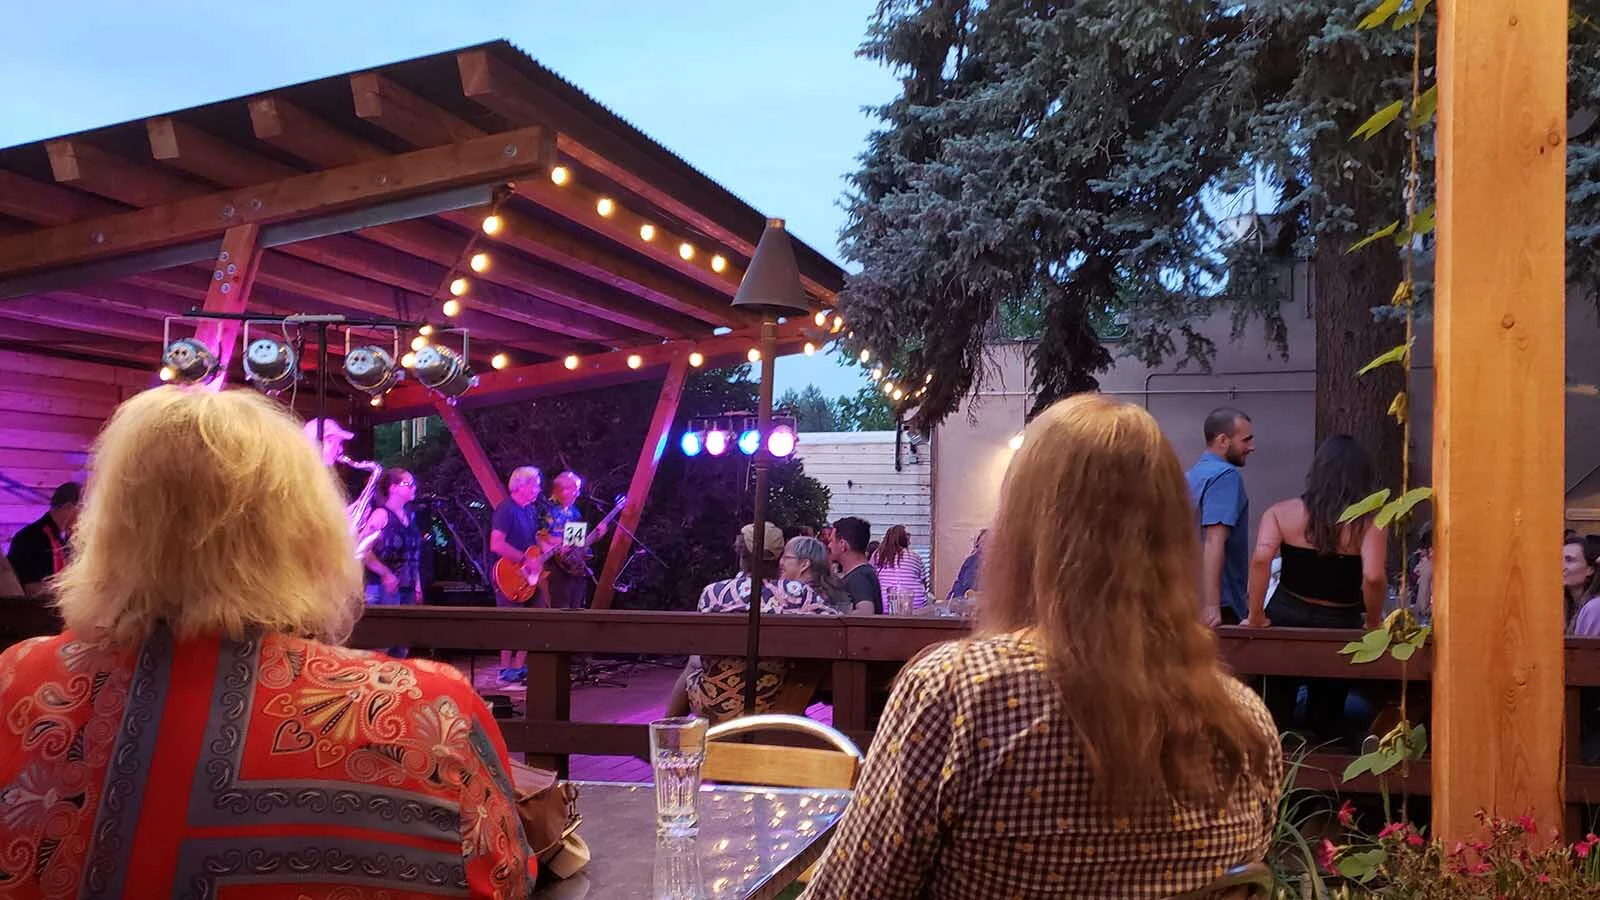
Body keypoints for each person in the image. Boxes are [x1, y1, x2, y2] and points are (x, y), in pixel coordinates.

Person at [0, 386, 533, 897]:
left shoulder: (15, 682)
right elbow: (504, 879)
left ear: (108, 527)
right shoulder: (427, 709)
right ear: (307, 528)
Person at [800, 395, 1281, 899]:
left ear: (1023, 528)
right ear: (1172, 534)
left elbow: (852, 892)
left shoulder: (958, 694)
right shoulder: (1247, 724)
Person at [1244, 435, 1387, 742]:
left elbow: (1260, 559)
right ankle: (1338, 752)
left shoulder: (1281, 512)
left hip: (1285, 615)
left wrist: (1255, 615)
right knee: (1328, 712)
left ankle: (1277, 754)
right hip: (1340, 620)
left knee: (1274, 703)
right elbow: (1373, 576)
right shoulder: (1369, 522)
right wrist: (1374, 621)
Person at [674, 523, 837, 723]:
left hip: (710, 705)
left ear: (741, 555)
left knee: (695, 660)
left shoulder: (713, 593)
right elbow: (837, 627)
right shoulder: (796, 593)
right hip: (771, 704)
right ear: (779, 559)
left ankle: (664, 729)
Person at [1187, 406, 1255, 626]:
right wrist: (1212, 606)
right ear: (1223, 440)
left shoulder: (1190, 478)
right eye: (1246, 440)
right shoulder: (1226, 477)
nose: (1251, 447)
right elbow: (1214, 539)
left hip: (1189, 597)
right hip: (1220, 607)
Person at [489, 466, 546, 685]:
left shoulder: (529, 510)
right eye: (535, 484)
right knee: (510, 623)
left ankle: (519, 666)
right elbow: (496, 544)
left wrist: (554, 546)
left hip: (527, 575)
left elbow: (533, 543)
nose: (539, 489)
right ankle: (505, 669)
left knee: (536, 619)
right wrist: (524, 559)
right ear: (521, 485)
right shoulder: (507, 510)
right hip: (507, 574)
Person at [361, 468, 424, 658]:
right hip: (383, 589)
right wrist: (385, 573)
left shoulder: (409, 516)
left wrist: (418, 584)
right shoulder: (381, 515)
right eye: (408, 483)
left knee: (402, 647)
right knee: (381, 647)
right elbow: (363, 549)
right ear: (393, 488)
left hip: (407, 589)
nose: (414, 487)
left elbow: (413, 554)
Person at [536, 471, 608, 610]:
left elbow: (576, 544)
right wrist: (557, 545)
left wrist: (596, 536)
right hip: (554, 567)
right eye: (575, 489)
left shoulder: (575, 512)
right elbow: (538, 536)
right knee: (561, 609)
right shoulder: (547, 510)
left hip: (573, 568)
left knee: (576, 609)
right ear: (562, 490)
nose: (578, 493)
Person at [5, 481, 81, 598]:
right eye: (82, 510)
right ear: (68, 507)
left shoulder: (69, 538)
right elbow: (30, 588)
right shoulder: (29, 538)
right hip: (35, 613)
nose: (84, 517)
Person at [781, 535, 852, 612]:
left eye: (786, 557)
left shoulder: (795, 599)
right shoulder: (835, 596)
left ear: (804, 564)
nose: (781, 562)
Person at [829, 516, 882, 614]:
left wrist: (832, 614)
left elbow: (866, 611)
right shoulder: (862, 573)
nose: (829, 545)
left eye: (831, 541)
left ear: (842, 544)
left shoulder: (859, 577)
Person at [873, 524, 929, 611]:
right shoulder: (914, 556)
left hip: (884, 606)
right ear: (903, 539)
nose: (910, 542)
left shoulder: (878, 555)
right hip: (916, 606)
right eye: (908, 538)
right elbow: (924, 582)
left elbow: (870, 576)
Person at [1566, 534, 1600, 634]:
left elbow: (1585, 649)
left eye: (1569, 560)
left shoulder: (1595, 607)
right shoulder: (1564, 607)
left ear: (1590, 569)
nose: (1561, 566)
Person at [948, 528, 987, 600]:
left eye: (987, 542)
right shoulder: (970, 561)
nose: (984, 545)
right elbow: (959, 583)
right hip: (965, 604)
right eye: (982, 542)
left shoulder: (999, 566)